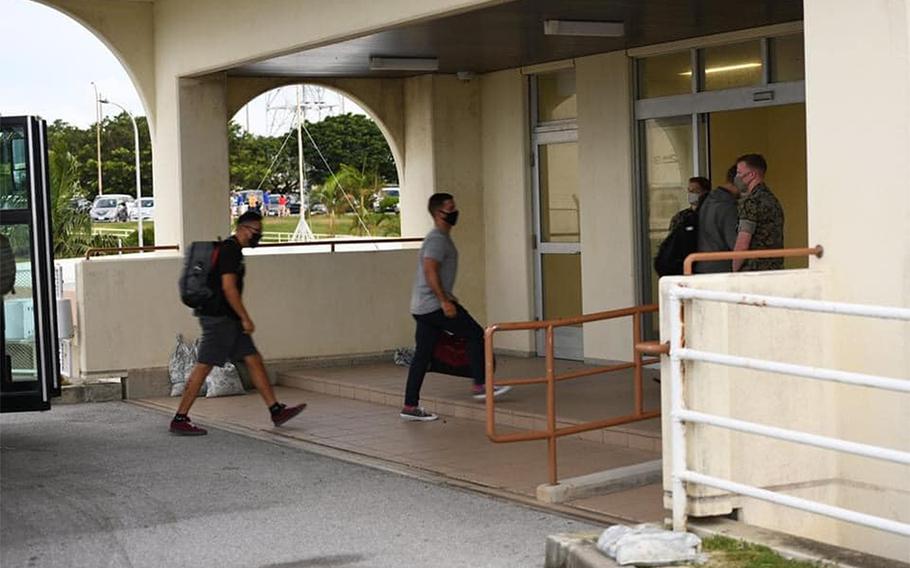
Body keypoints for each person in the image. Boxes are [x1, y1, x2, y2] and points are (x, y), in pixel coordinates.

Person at [170, 211, 306, 435]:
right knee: (203, 366)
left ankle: (275, 410)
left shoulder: (233, 250)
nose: (257, 236)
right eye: (255, 232)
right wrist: (245, 317)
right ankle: (180, 418)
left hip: (229, 321)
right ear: (243, 228)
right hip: (219, 320)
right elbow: (229, 288)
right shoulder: (230, 251)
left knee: (253, 360)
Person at [401, 193, 511, 422]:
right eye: (450, 208)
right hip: (433, 305)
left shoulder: (440, 238)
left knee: (422, 356)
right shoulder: (437, 240)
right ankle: (480, 384)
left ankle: (410, 405)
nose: (454, 211)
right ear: (438, 213)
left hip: (422, 306)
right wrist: (444, 300)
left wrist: (448, 296)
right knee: (476, 334)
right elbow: (430, 270)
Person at [731, 154, 785, 272]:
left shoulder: (751, 202)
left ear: (751, 175)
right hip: (775, 268)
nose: (736, 177)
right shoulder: (772, 199)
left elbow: (743, 243)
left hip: (753, 270)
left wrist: (734, 270)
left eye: (739, 173)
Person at [696, 165, 741, 273]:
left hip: (701, 265)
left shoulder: (708, 200)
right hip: (720, 268)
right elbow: (735, 244)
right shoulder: (728, 206)